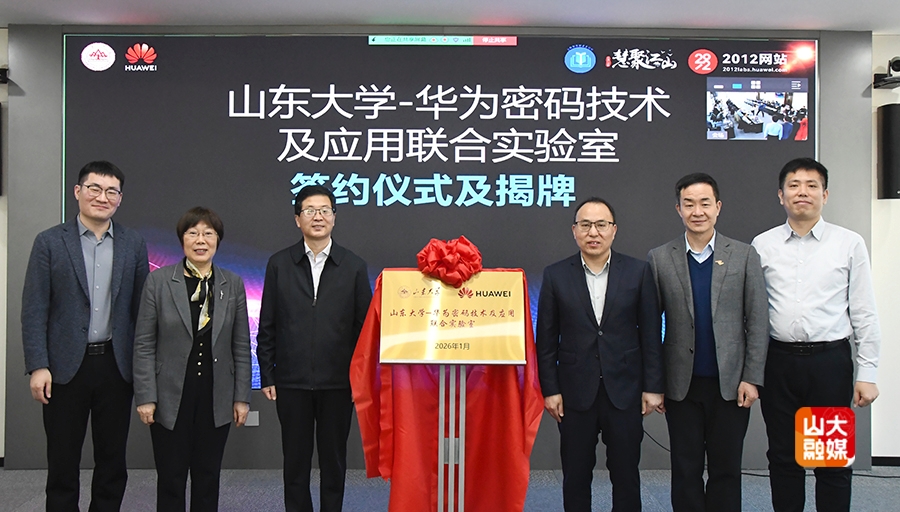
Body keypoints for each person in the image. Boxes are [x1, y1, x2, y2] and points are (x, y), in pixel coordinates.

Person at [751, 157, 881, 512]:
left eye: (812, 185)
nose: (802, 192)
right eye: (793, 185)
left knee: (829, 459)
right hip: (778, 363)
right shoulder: (763, 244)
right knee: (783, 457)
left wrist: (868, 372)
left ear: (825, 194)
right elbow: (752, 313)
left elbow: (864, 311)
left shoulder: (848, 243)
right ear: (781, 195)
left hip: (828, 363)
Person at [22, 160, 149, 511]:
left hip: (115, 366)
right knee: (63, 459)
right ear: (78, 191)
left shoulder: (133, 244)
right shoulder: (49, 242)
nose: (102, 197)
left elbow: (141, 311)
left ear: (120, 199)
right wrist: (38, 365)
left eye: (111, 191)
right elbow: (34, 309)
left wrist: (143, 368)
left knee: (112, 459)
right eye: (94, 188)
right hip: (63, 368)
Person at [647, 173, 769, 512]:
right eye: (689, 204)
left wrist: (752, 377)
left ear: (718, 207)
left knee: (726, 469)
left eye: (704, 203)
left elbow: (758, 321)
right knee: (685, 469)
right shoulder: (660, 258)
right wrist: (654, 383)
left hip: (730, 385)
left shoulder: (744, 255)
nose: (697, 211)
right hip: (681, 386)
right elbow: (649, 327)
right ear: (678, 209)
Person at [536, 197, 664, 512]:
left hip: (625, 390)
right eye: (586, 225)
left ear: (614, 230)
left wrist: (653, 386)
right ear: (574, 231)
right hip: (574, 392)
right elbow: (547, 340)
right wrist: (550, 389)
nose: (593, 232)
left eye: (601, 225)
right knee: (576, 476)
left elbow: (650, 334)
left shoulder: (638, 272)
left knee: (626, 475)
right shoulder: (556, 275)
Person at [256, 185, 373, 512]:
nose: (317, 217)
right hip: (291, 381)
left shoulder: (353, 266)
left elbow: (364, 331)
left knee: (334, 461)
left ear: (334, 217)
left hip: (338, 383)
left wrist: (360, 380)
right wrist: (267, 373)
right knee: (295, 462)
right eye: (309, 210)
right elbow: (268, 323)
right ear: (298, 219)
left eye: (324, 210)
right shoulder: (279, 264)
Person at [133, 207, 252, 511]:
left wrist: (241, 397)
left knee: (208, 477)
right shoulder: (159, 282)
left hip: (215, 396)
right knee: (171, 478)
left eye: (208, 233)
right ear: (182, 239)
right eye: (193, 233)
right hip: (170, 396)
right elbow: (144, 344)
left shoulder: (232, 284)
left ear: (217, 240)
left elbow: (240, 345)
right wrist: (146, 396)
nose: (201, 240)